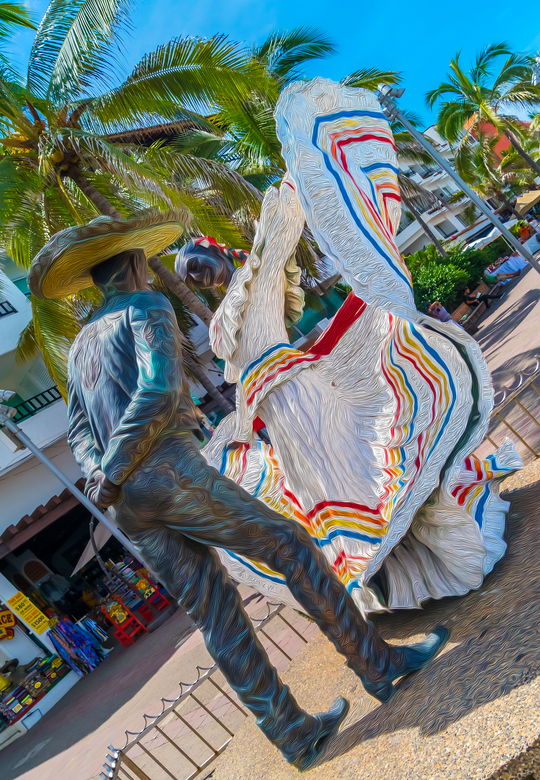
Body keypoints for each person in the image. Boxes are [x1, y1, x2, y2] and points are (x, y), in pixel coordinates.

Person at [28, 213, 448, 771]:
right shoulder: (145, 308)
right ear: (132, 261)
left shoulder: (81, 346)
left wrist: (102, 475)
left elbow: (79, 431)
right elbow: (157, 388)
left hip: (127, 503)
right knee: (290, 548)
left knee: (217, 616)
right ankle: (379, 666)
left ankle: (293, 734)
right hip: (168, 470)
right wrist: (121, 462)